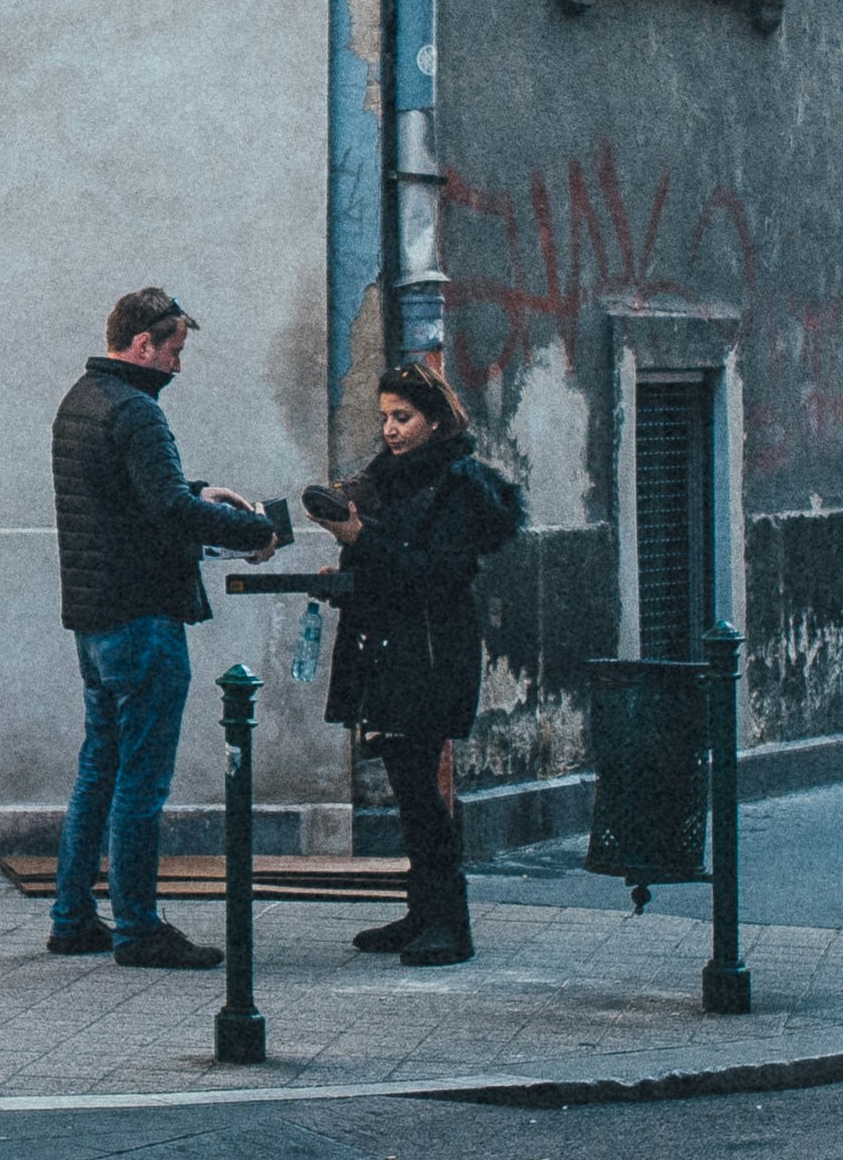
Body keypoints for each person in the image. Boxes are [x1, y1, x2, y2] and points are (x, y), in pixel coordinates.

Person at [48, 288, 287, 966]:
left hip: (93, 621)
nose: (179, 365)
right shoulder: (137, 411)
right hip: (143, 616)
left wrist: (195, 489)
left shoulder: (81, 400)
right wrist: (256, 531)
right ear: (143, 344)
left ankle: (72, 917)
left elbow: (135, 496)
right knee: (141, 783)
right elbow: (167, 512)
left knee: (99, 766)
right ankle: (137, 928)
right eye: (174, 350)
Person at [311, 360, 524, 964]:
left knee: (421, 791)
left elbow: (437, 574)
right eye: (384, 419)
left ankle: (450, 925)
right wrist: (345, 575)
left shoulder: (457, 486)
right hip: (389, 650)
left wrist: (359, 542)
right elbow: (389, 563)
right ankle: (422, 913)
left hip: (429, 655)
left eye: (402, 418)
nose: (390, 430)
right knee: (407, 788)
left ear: (434, 420)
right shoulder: (392, 479)